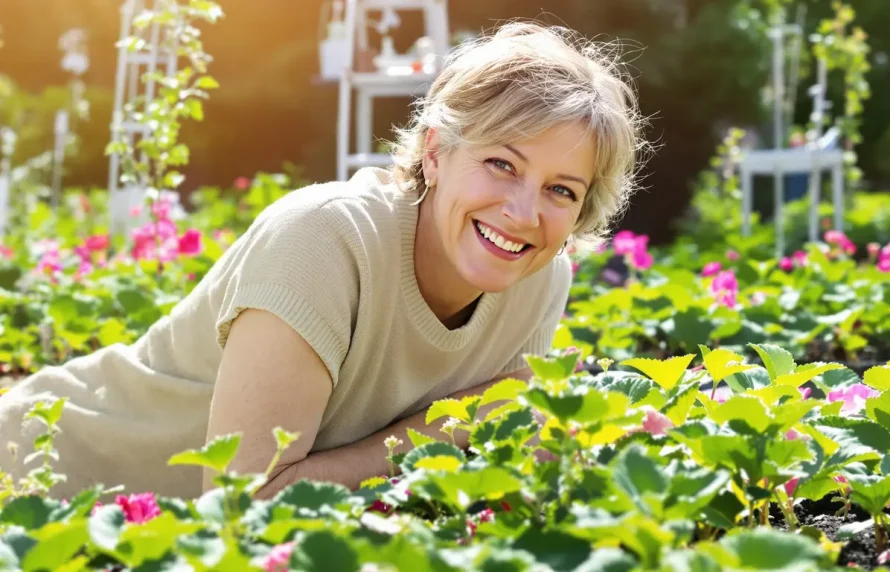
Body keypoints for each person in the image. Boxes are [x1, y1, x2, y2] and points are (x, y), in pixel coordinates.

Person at [0, 21, 647, 500]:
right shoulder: (321, 238)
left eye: (562, 190)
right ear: (435, 153)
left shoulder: (540, 277)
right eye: (501, 164)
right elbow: (242, 506)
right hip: (41, 487)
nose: (524, 212)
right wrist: (454, 426)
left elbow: (489, 462)